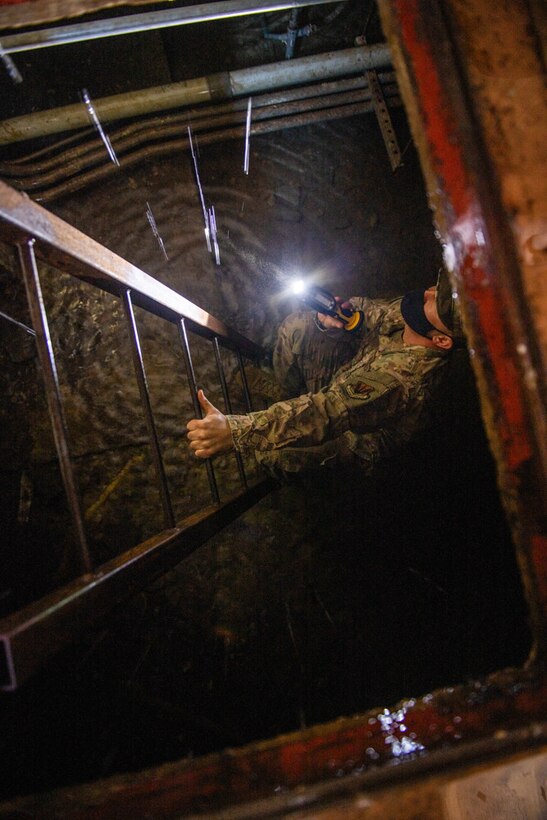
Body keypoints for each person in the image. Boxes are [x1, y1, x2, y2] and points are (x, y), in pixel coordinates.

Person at [186, 273, 464, 477]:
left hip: (355, 432)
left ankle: (295, 474)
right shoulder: (416, 314)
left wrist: (235, 432)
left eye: (436, 302)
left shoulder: (403, 382)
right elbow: (375, 312)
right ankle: (285, 395)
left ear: (441, 341)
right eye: (437, 288)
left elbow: (328, 412)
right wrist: (338, 319)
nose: (428, 292)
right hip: (350, 375)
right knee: (299, 327)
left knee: (273, 454)